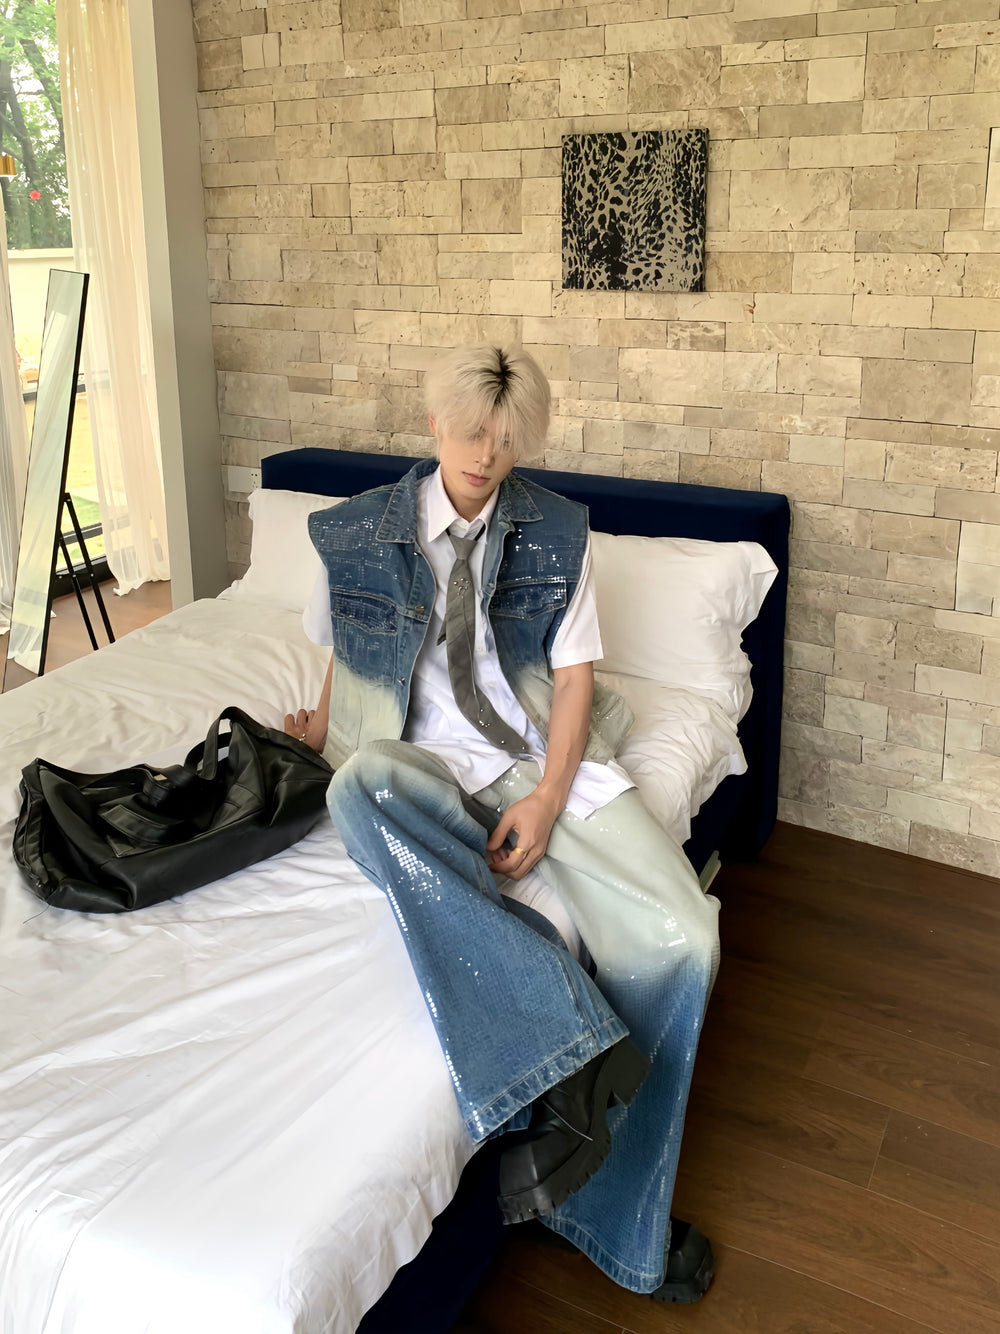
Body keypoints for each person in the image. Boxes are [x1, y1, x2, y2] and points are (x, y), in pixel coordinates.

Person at [285, 344, 719, 1302]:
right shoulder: (355, 532)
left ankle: (604, 1216)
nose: (486, 454)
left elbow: (574, 677)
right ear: (435, 423)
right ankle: (569, 1039)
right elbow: (348, 653)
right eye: (473, 431)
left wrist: (548, 797)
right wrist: (318, 726)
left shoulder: (558, 532)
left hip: (532, 759)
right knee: (355, 786)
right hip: (419, 761)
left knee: (687, 938)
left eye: (507, 439)